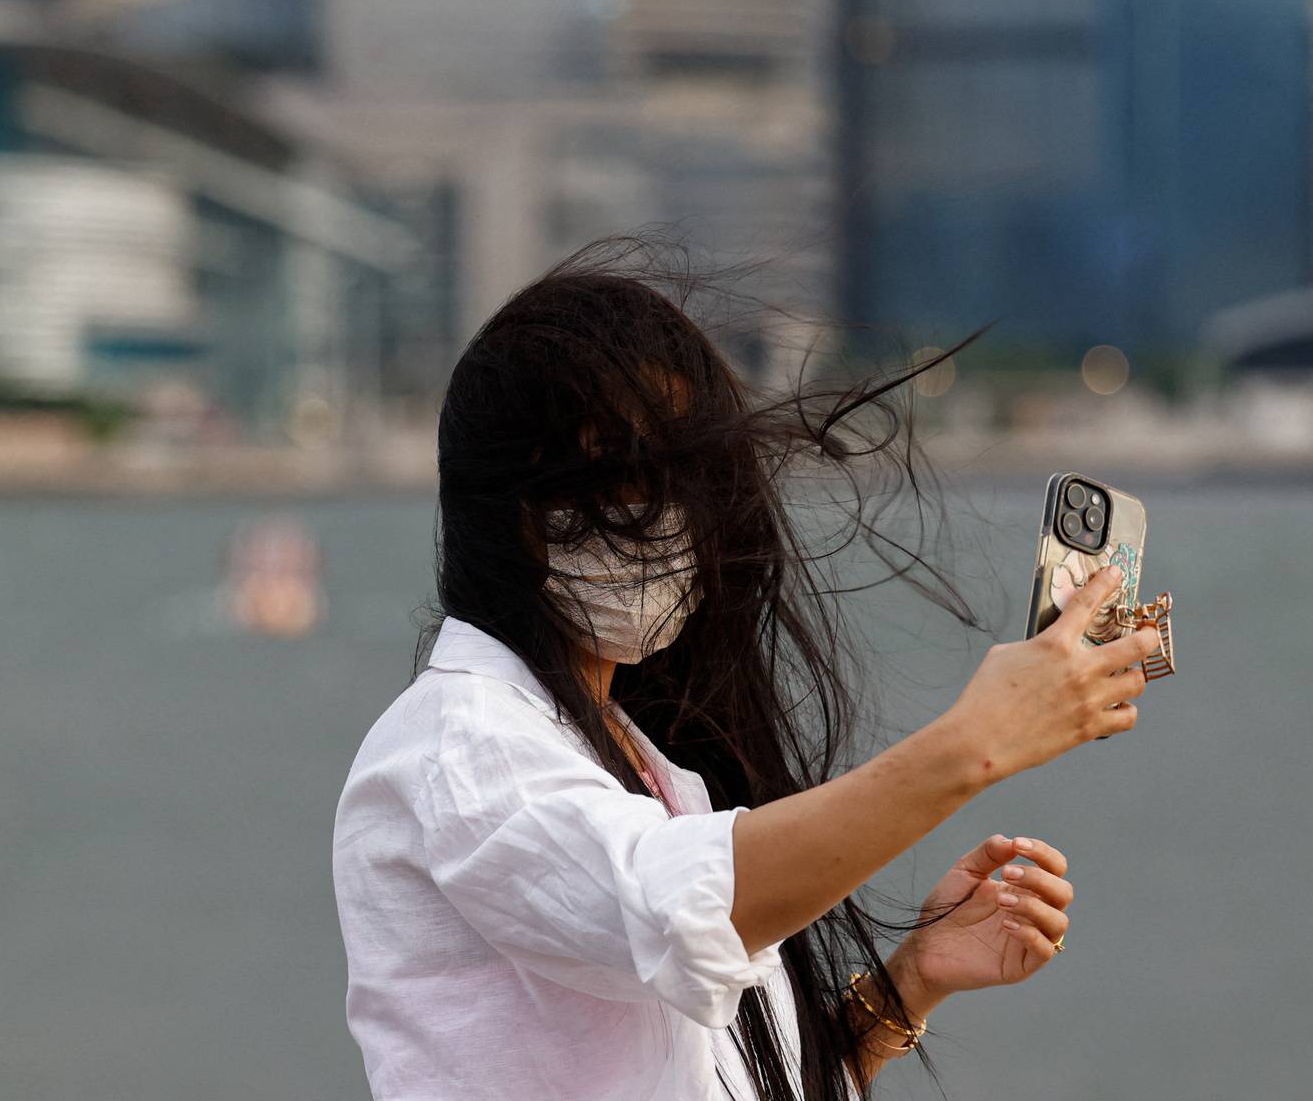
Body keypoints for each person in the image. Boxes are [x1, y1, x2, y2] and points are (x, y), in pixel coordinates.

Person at [330, 238, 1162, 1100]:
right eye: (623, 482)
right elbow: (675, 910)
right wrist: (977, 742)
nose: (670, 521)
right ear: (511, 511)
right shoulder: (462, 746)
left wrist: (911, 981)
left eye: (688, 480)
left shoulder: (631, 764)